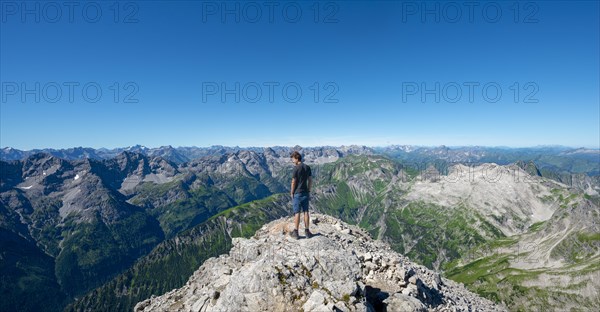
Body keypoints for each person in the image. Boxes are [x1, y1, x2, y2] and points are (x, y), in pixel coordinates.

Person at [290, 151, 312, 239]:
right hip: (305, 192)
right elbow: (310, 180)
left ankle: (296, 232)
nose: (292, 161)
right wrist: (309, 190)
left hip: (297, 193)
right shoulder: (307, 167)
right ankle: (307, 231)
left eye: (292, 159)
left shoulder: (296, 168)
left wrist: (292, 192)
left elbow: (293, 181)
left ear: (296, 158)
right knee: (306, 212)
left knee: (297, 212)